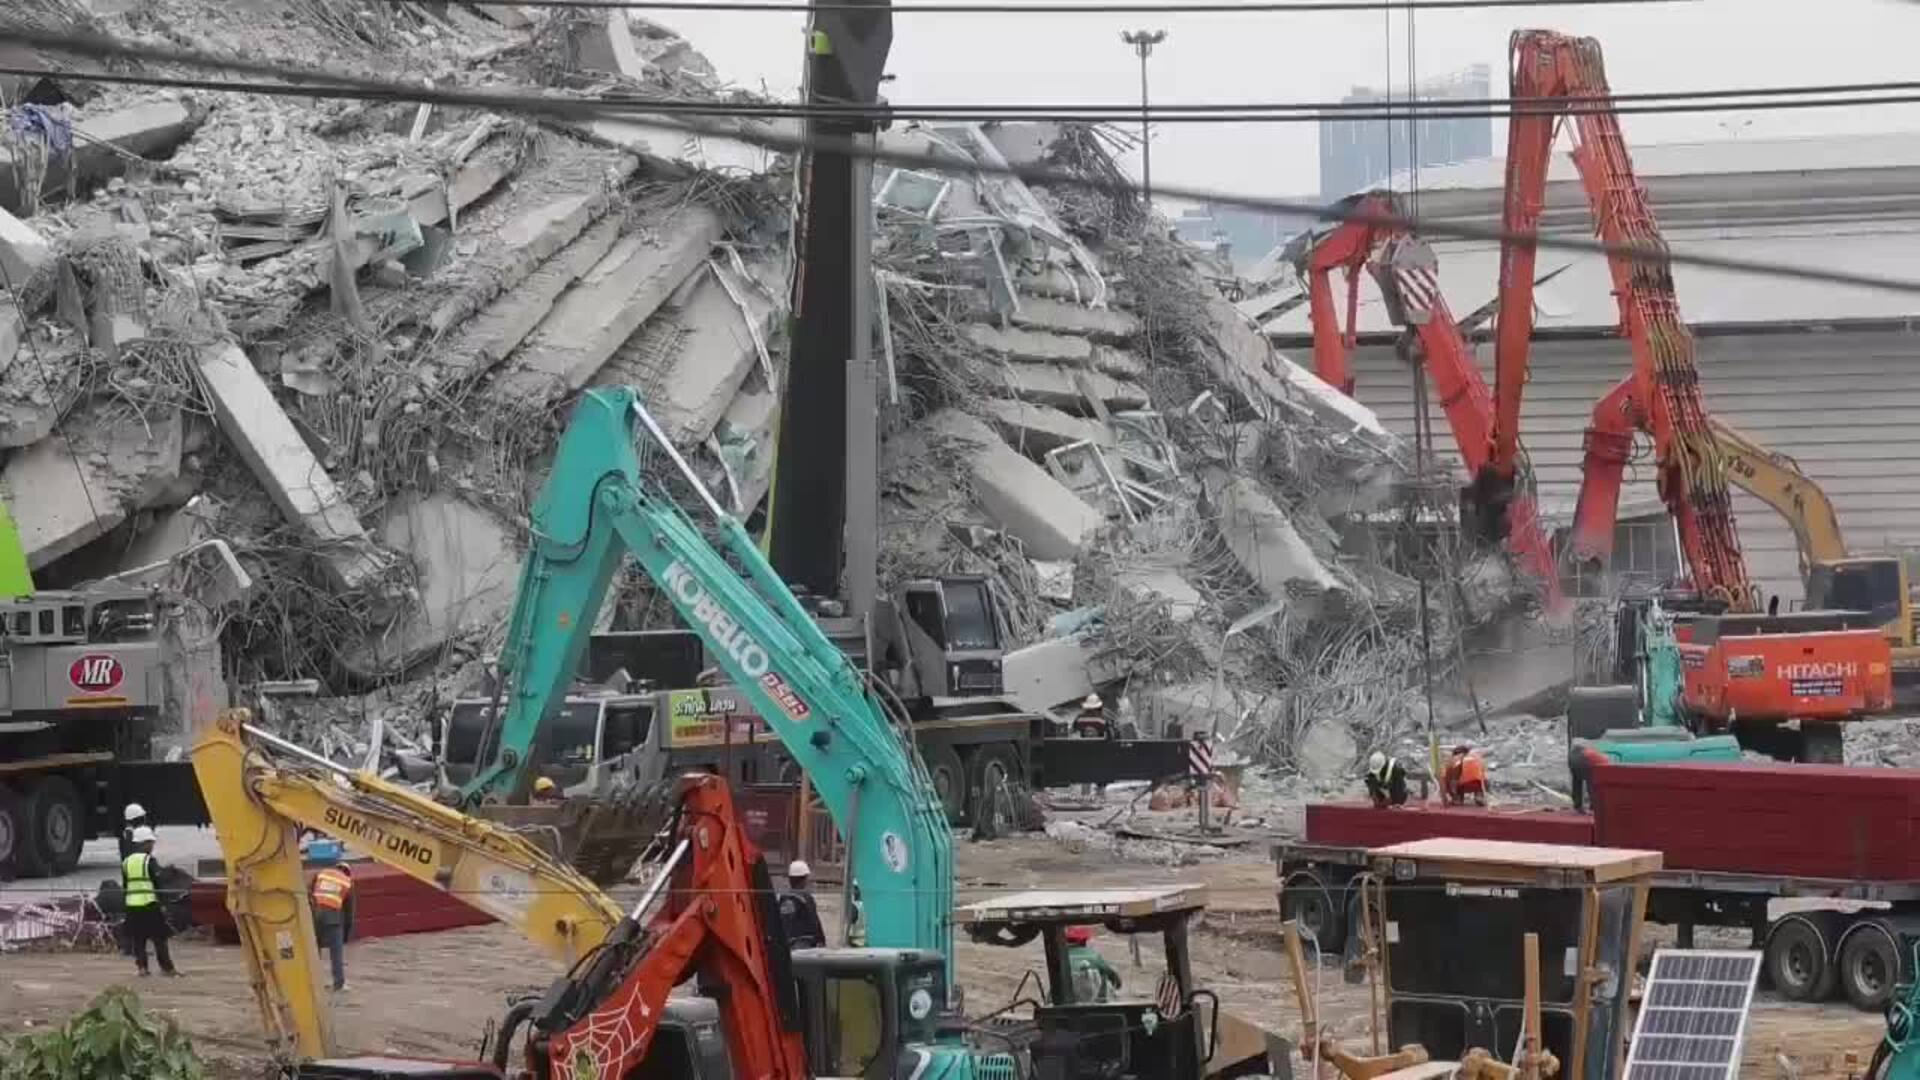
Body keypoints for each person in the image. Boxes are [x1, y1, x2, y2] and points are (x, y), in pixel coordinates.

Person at [122, 826, 178, 977]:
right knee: (159, 938)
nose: (152, 846)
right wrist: (164, 904)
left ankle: (142, 968)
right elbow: (157, 883)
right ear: (143, 844)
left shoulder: (126, 862)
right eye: (150, 843)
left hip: (132, 905)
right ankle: (167, 968)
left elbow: (125, 885)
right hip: (149, 904)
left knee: (138, 940)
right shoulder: (149, 861)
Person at [310, 855, 356, 992]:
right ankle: (339, 983)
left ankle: (314, 982)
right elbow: (349, 913)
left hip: (315, 917)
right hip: (334, 920)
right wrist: (346, 935)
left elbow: (310, 893)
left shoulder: (321, 874)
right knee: (336, 953)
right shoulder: (348, 883)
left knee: (314, 950)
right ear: (347, 872)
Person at [1064, 925, 1122, 1003]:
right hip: (1090, 996)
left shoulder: (1062, 955)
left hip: (1066, 996)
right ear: (1084, 940)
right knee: (1103, 973)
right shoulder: (1093, 955)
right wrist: (1117, 984)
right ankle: (1102, 1002)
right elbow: (1111, 973)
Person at [777, 859, 826, 949]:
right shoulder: (806, 899)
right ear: (804, 879)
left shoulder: (784, 898)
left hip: (787, 945)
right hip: (804, 945)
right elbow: (815, 922)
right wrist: (822, 940)